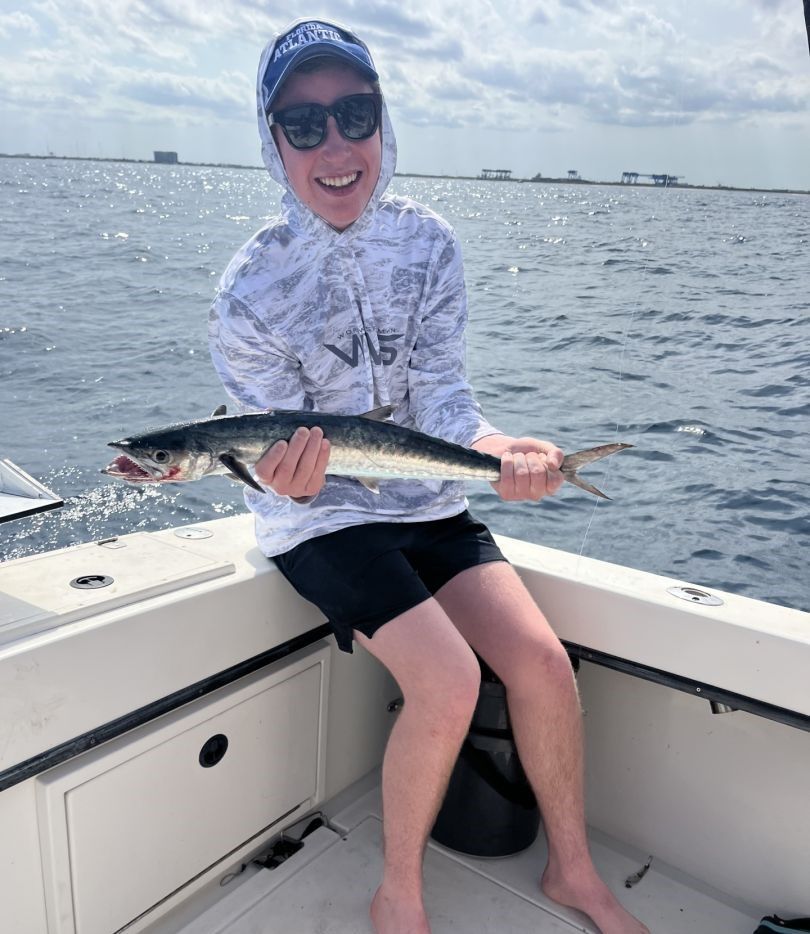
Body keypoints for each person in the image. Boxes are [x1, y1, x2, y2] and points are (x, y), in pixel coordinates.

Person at [209, 17, 648, 934]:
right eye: (304, 125)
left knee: (541, 663)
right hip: (320, 520)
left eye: (356, 114)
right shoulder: (247, 289)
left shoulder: (431, 244)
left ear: (383, 124)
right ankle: (397, 893)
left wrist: (501, 453)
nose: (335, 145)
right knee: (448, 680)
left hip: (428, 497)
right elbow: (275, 466)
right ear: (272, 139)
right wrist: (286, 485)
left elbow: (446, 398)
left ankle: (573, 869)